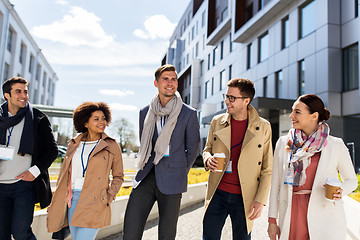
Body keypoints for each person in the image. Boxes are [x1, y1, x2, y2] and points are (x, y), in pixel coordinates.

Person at [123, 64, 200, 240]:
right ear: (156, 83)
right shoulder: (145, 112)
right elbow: (145, 143)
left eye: (174, 79)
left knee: (166, 234)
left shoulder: (188, 113)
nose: (170, 83)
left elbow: (192, 148)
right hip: (146, 175)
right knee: (131, 231)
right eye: (165, 79)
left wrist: (179, 171)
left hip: (173, 179)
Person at [267, 94, 358, 240]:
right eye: (292, 111)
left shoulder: (335, 144)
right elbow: (275, 184)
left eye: (297, 112)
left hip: (325, 214)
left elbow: (352, 180)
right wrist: (272, 220)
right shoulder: (284, 143)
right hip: (292, 213)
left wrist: (341, 191)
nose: (291, 116)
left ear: (314, 116)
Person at [202, 78, 273, 240]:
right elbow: (207, 150)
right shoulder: (217, 122)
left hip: (245, 196)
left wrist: (260, 200)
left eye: (232, 98)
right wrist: (207, 159)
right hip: (217, 193)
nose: (227, 101)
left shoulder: (264, 127)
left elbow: (268, 168)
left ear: (246, 101)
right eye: (226, 96)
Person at [47, 102, 124, 240]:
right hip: (72, 200)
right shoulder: (73, 144)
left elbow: (118, 176)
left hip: (95, 201)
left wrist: (108, 197)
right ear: (85, 123)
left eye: (103, 118)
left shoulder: (111, 145)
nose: (102, 122)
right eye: (96, 119)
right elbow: (65, 174)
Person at [0, 77, 58, 239]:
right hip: (0, 186)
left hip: (23, 186)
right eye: (18, 91)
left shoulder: (38, 118)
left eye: (25, 91)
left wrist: (34, 171)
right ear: (7, 95)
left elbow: (52, 150)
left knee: (21, 233)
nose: (24, 95)